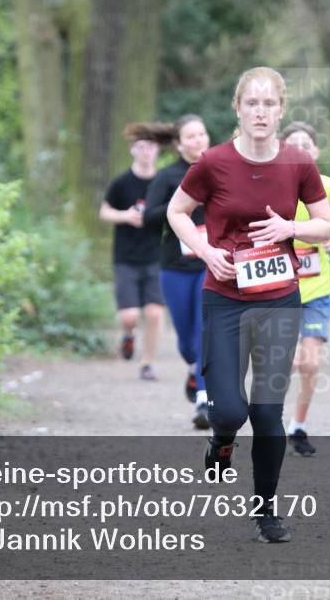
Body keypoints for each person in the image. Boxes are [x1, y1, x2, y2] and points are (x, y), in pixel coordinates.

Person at [166, 67, 330, 543]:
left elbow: (325, 225)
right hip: (224, 299)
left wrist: (290, 229)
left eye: (269, 104)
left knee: (265, 411)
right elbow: (177, 212)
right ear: (238, 109)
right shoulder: (212, 163)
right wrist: (205, 250)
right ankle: (221, 443)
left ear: (281, 111)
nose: (260, 111)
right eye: (252, 103)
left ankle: (266, 510)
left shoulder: (298, 162)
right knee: (229, 413)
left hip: (280, 299)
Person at [278, 122, 330, 457]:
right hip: (280, 286)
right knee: (286, 360)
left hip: (317, 286)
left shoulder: (329, 186)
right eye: (294, 144)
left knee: (310, 365)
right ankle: (268, 418)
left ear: (317, 151)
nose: (302, 149)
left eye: (307, 144)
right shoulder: (274, 188)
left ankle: (299, 426)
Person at [143, 114, 211, 429]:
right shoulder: (168, 176)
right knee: (186, 340)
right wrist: (182, 206)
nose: (198, 140)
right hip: (175, 264)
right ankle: (192, 367)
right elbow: (150, 217)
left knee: (204, 329)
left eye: (202, 134)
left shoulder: (219, 169)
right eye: (191, 136)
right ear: (179, 143)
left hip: (212, 262)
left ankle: (203, 399)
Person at [99, 124, 166, 381]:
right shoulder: (121, 183)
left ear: (157, 150)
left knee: (155, 313)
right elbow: (104, 212)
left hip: (156, 256)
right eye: (140, 147)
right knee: (130, 316)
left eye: (150, 147)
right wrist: (125, 216)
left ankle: (147, 363)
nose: (145, 152)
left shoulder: (164, 181)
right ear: (132, 150)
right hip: (126, 256)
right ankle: (128, 335)